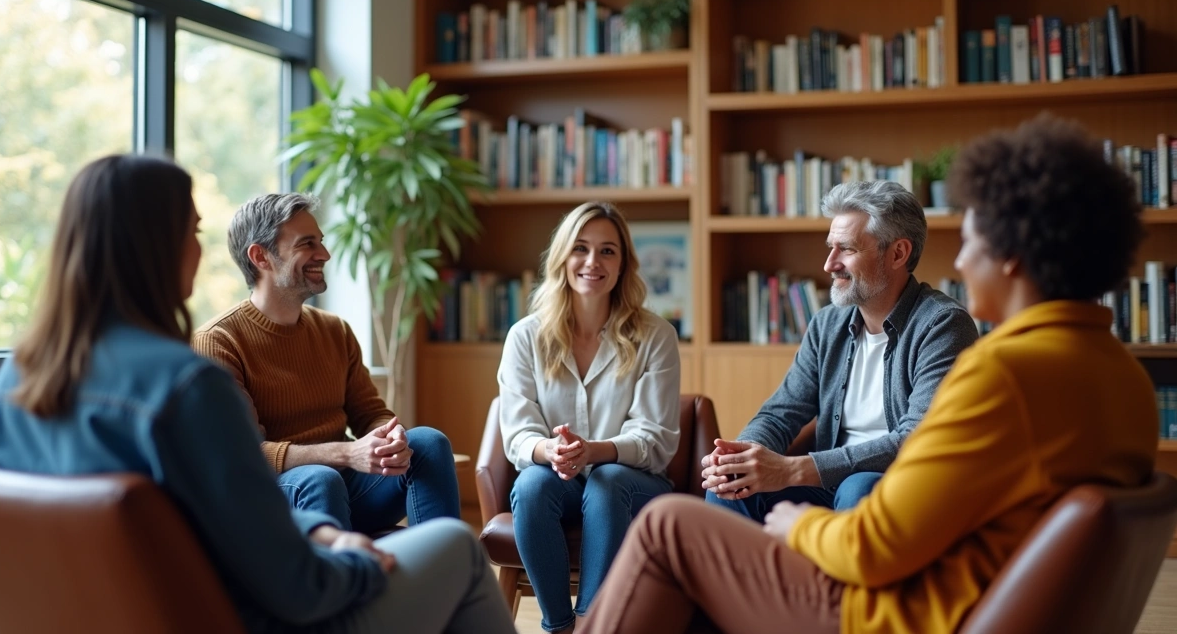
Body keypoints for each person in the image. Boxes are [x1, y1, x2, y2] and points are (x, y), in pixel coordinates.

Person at [578, 114, 1159, 634]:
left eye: (972, 241)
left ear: (1011, 255)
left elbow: (876, 544)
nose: (958, 260)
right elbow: (787, 411)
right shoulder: (1125, 379)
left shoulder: (1002, 371)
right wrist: (747, 459)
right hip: (948, 592)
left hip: (892, 611)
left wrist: (795, 523)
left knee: (667, 525)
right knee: (716, 508)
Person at [0, 155, 516, 633]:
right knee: (455, 549)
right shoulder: (189, 385)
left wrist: (322, 534)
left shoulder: (18, 382)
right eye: (191, 230)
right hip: (254, 616)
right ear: (154, 247)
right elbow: (299, 588)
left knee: (419, 460)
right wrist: (361, 563)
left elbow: (193, 513)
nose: (198, 247)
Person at [704, 180, 979, 515]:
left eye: (847, 249)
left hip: (900, 488)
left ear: (898, 253)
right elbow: (781, 413)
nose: (829, 264)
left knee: (857, 487)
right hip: (824, 485)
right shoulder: (827, 324)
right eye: (830, 247)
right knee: (730, 488)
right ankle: (752, 570)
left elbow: (916, 438)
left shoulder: (943, 325)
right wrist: (744, 454)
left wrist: (792, 469)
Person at [193, 193, 459, 534]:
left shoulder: (334, 330)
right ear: (261, 257)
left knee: (428, 443)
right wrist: (347, 454)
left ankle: (446, 574)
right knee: (320, 479)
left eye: (321, 241)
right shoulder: (218, 341)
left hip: (347, 488)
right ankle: (338, 583)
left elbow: (370, 412)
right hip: (276, 496)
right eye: (307, 244)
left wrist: (390, 437)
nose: (325, 254)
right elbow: (244, 453)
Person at [497, 201, 681, 633]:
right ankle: (558, 624)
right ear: (563, 257)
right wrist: (552, 450)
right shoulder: (526, 336)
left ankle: (593, 624)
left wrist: (594, 452)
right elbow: (519, 433)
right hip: (556, 476)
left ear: (623, 265)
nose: (592, 262)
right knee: (531, 484)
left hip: (634, 483)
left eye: (607, 251)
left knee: (607, 479)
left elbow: (655, 439)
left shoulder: (656, 335)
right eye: (580, 248)